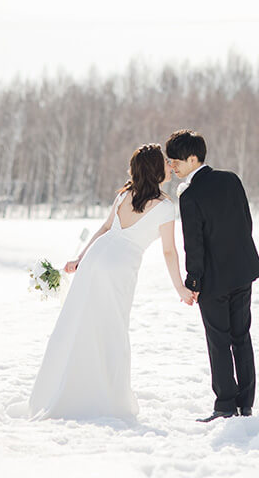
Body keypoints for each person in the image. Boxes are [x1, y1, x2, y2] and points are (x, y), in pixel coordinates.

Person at [28, 144, 195, 420]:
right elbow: (169, 251)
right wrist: (180, 287)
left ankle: (65, 388)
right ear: (155, 169)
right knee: (112, 328)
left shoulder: (124, 195)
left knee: (79, 322)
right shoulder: (165, 207)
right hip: (120, 266)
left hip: (96, 257)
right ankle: (104, 396)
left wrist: (81, 258)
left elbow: (106, 228)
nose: (169, 166)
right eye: (165, 162)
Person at [166, 129, 259, 422]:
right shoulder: (231, 179)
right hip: (243, 270)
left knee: (219, 341)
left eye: (175, 161)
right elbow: (246, 223)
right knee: (241, 337)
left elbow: (193, 244)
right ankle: (245, 404)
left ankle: (224, 405)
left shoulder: (190, 194)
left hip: (213, 280)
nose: (172, 167)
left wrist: (193, 281)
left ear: (193, 158)